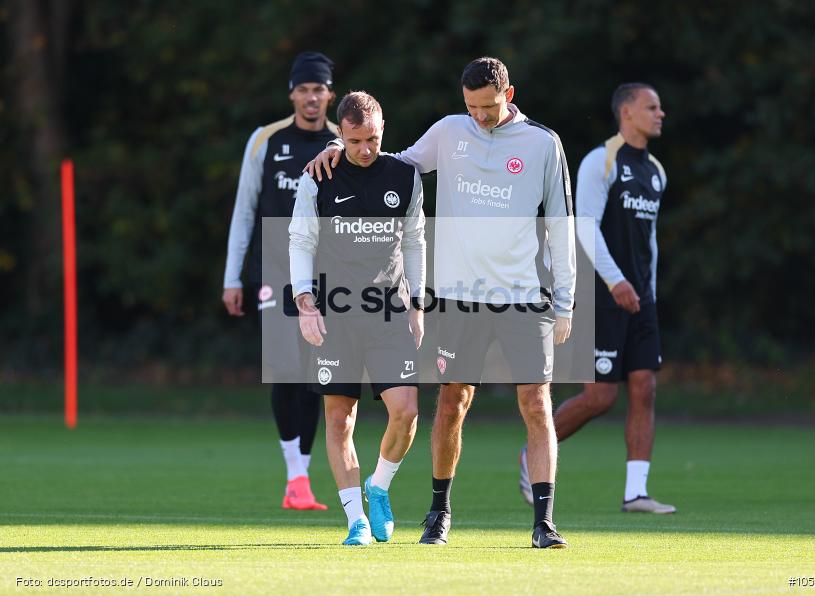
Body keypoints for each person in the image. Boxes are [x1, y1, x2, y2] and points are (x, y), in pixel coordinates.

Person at [308, 56, 575, 549]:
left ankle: (544, 523)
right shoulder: (450, 131)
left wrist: (566, 300)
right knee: (452, 404)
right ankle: (438, 512)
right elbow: (391, 164)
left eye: (489, 107)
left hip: (522, 294)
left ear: (509, 95)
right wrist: (338, 149)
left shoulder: (543, 143)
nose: (479, 116)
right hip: (456, 297)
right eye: (471, 107)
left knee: (536, 405)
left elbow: (560, 221)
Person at [520, 83, 676, 514]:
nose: (660, 113)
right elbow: (583, 227)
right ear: (627, 112)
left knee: (644, 387)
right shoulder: (600, 161)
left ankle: (636, 493)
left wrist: (649, 291)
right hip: (604, 295)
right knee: (600, 397)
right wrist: (615, 281)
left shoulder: (656, 171)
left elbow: (651, 241)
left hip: (641, 298)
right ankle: (530, 452)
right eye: (652, 106)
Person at [290, 91, 427, 545]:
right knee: (339, 420)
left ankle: (379, 486)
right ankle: (356, 521)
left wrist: (417, 304)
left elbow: (414, 240)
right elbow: (300, 242)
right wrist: (305, 302)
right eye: (353, 142)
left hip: (389, 311)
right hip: (335, 315)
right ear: (339, 136)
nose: (364, 149)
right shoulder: (317, 177)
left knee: (406, 411)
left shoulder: (405, 176)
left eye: (371, 138)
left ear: (382, 128)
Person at [222, 51, 337, 511]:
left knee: (315, 375)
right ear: (292, 93)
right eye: (304, 89)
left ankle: (301, 477)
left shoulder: (340, 141)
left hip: (324, 275)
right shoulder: (266, 140)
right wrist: (232, 277)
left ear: (330, 93)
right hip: (272, 268)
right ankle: (295, 474)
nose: (312, 97)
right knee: (285, 369)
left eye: (319, 89)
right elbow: (244, 210)